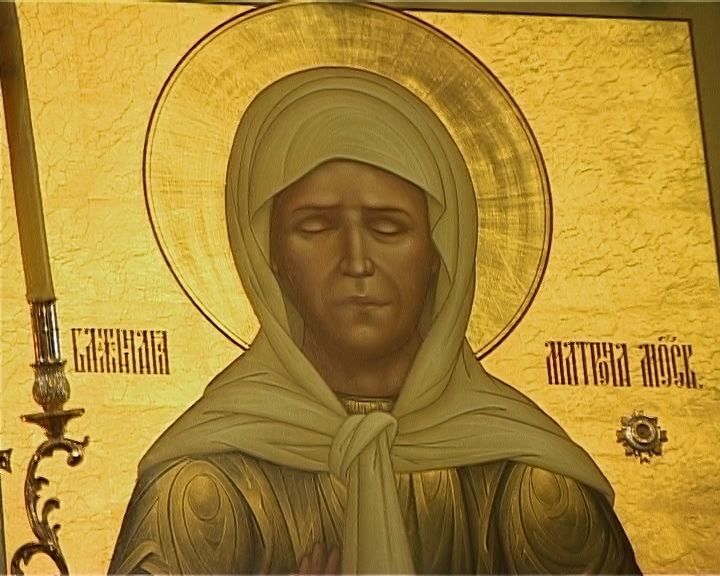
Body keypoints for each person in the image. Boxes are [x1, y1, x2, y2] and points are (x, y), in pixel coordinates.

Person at [110, 68, 640, 574]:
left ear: (439, 250)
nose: (357, 260)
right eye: (316, 226)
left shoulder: (532, 483)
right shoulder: (202, 489)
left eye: (388, 227)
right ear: (267, 254)